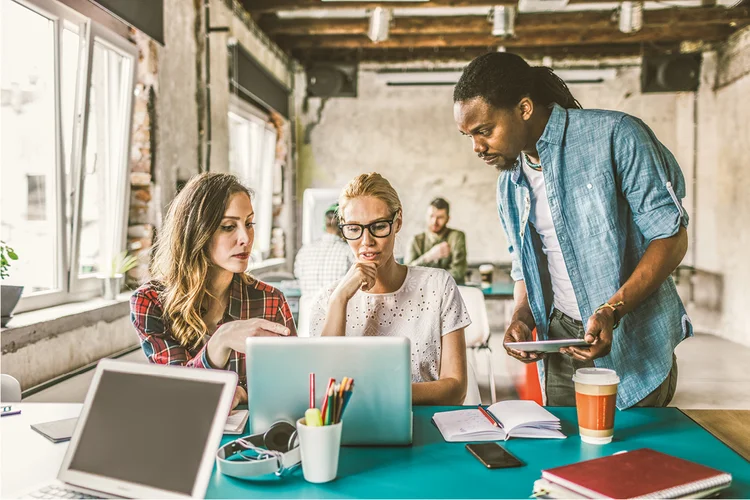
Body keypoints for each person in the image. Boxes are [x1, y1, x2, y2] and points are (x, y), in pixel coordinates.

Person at [453, 52, 690, 409]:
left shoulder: (617, 136)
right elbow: (524, 266)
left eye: (484, 131)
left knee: (630, 458)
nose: (476, 147)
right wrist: (521, 316)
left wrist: (612, 310)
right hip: (560, 340)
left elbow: (671, 238)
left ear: (525, 108)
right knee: (566, 457)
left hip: (632, 337)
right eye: (468, 136)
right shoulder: (510, 183)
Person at [130, 173, 296, 409]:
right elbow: (177, 393)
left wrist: (241, 393)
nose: (245, 238)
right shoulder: (150, 302)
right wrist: (220, 342)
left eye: (249, 224)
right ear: (196, 232)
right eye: (228, 226)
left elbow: (293, 384)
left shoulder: (270, 299)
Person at [309, 173, 469, 406]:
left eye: (379, 226)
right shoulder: (328, 300)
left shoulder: (438, 285)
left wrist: (383, 393)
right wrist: (340, 299)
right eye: (354, 229)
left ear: (398, 222)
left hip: (429, 424)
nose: (366, 241)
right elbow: (322, 393)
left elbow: (456, 389)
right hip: (354, 429)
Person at [294, 203, 354, 298]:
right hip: (335, 311)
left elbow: (298, 277)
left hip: (308, 311)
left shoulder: (304, 251)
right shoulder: (349, 252)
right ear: (345, 228)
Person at [405, 197, 468, 285]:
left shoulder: (456, 237)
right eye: (431, 216)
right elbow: (407, 274)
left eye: (440, 217)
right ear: (426, 216)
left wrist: (428, 281)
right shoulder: (415, 240)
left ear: (448, 219)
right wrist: (430, 256)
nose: (434, 221)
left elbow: (458, 272)